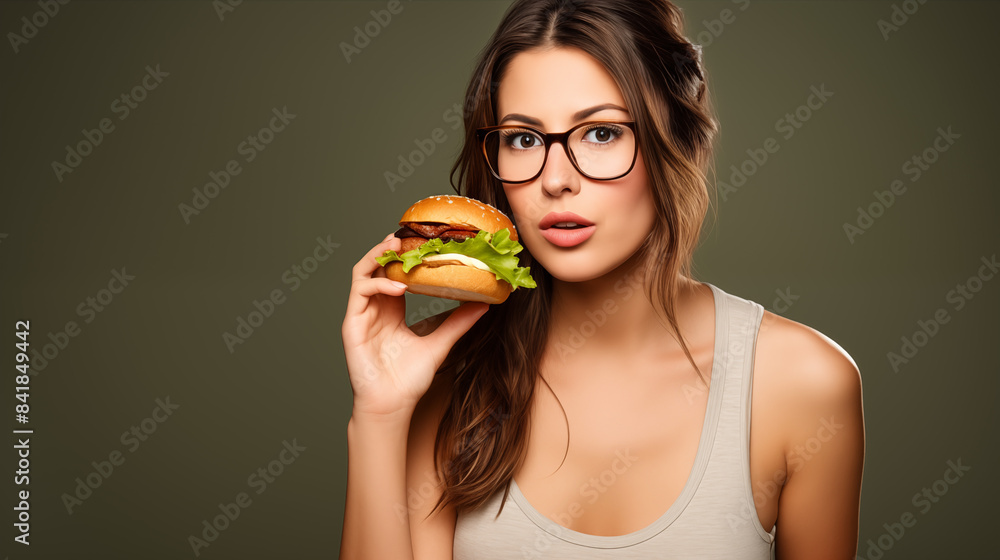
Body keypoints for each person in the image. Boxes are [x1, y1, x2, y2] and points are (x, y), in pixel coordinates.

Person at [340, 0, 865, 558]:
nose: (557, 181)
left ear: (679, 142)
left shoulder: (803, 384)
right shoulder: (446, 376)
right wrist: (380, 414)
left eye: (601, 133)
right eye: (523, 139)